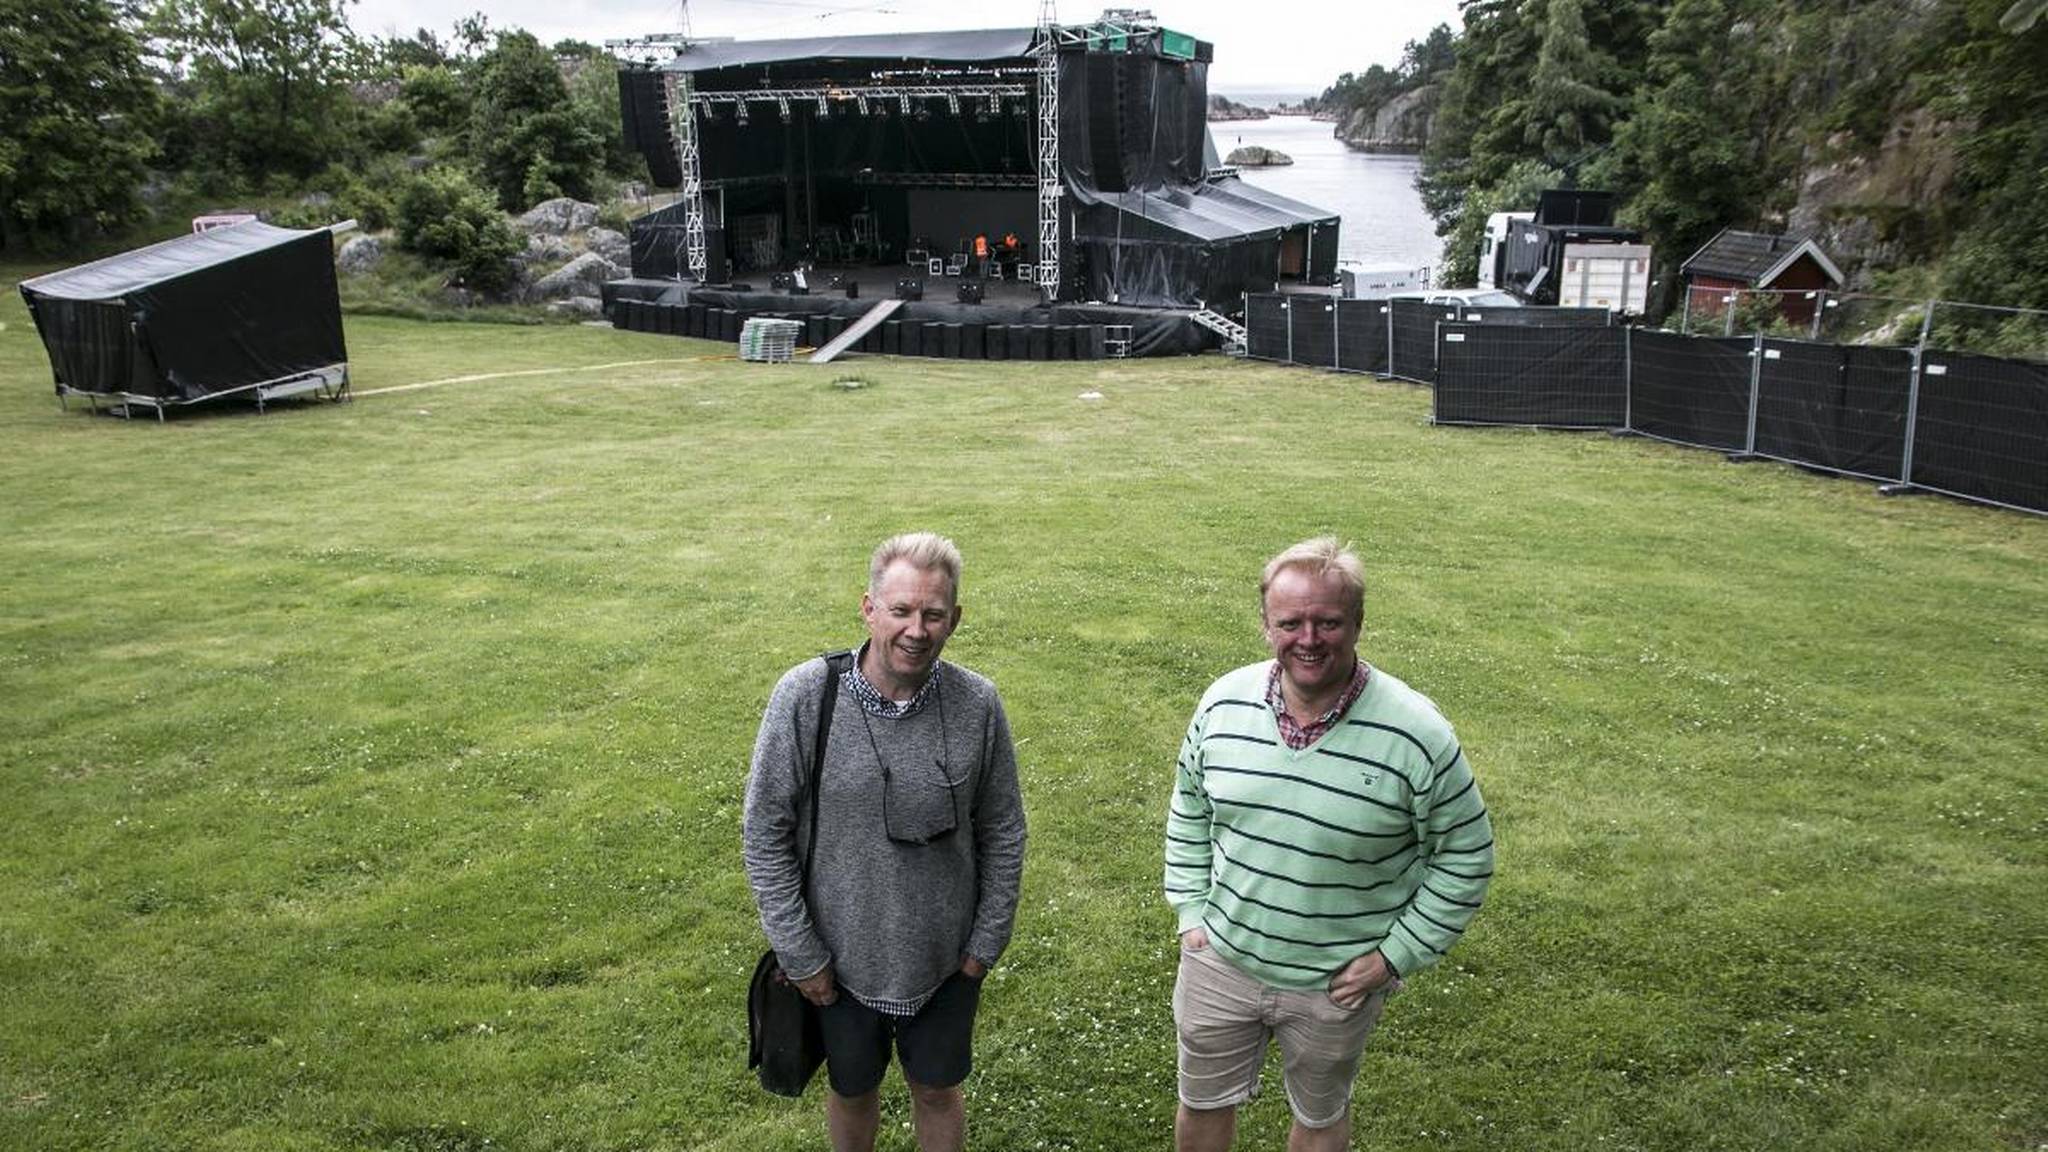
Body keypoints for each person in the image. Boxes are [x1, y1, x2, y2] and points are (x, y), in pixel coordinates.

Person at [1165, 538, 1494, 1152]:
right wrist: (1190, 911)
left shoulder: (1417, 733)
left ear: (1358, 623)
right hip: (1220, 961)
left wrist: (1393, 957)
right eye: (1290, 623)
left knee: (1319, 1118)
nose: (1309, 639)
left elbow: (1466, 855)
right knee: (1202, 1103)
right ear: (1266, 626)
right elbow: (1189, 803)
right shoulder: (1223, 702)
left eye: (1329, 622)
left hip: (1336, 982)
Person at [745, 532, 1027, 1152]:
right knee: (852, 1091)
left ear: (955, 618)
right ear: (869, 609)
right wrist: (803, 956)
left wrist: (982, 949)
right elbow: (764, 832)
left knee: (937, 1092)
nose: (916, 630)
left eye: (933, 614)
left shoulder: (977, 703)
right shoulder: (806, 696)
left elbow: (1004, 828)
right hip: (837, 968)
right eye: (901, 610)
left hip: (945, 965)